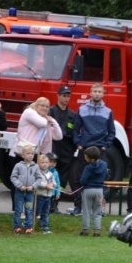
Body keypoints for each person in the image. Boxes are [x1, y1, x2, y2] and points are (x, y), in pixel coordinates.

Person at [71, 83, 115, 216]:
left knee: (100, 179)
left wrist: (105, 145)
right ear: (90, 92)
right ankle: (78, 206)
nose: (97, 94)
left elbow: (112, 132)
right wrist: (78, 143)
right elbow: (75, 129)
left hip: (100, 150)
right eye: (95, 91)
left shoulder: (108, 112)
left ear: (103, 94)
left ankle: (99, 208)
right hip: (85, 148)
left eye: (99, 92)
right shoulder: (82, 109)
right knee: (79, 178)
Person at [48, 85, 77, 214]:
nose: (66, 98)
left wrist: (73, 147)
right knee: (49, 174)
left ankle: (55, 203)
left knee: (62, 177)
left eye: (68, 96)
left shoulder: (72, 114)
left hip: (67, 147)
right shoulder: (51, 111)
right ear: (58, 96)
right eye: (64, 95)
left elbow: (74, 131)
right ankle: (47, 204)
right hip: (54, 145)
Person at [10, 145, 41, 235]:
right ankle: (17, 226)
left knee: (29, 209)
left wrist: (33, 186)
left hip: (30, 193)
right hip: (19, 192)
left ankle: (28, 227)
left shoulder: (35, 166)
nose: (30, 155)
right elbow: (13, 177)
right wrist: (20, 186)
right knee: (18, 209)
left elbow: (39, 178)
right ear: (23, 155)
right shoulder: (18, 166)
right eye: (28, 153)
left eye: (32, 153)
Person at [79, 146, 107, 236]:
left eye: (86, 157)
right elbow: (106, 175)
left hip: (88, 190)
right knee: (97, 211)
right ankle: (97, 230)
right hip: (99, 191)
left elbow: (83, 181)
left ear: (91, 159)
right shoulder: (104, 165)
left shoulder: (88, 168)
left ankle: (85, 230)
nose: (84, 158)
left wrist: (84, 183)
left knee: (86, 211)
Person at [35, 153, 57, 234]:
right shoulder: (38, 173)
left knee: (46, 212)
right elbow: (38, 182)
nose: (45, 164)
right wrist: (45, 186)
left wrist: (52, 184)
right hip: (40, 196)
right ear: (38, 164)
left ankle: (45, 226)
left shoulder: (50, 174)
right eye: (42, 162)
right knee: (36, 211)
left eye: (46, 162)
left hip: (48, 196)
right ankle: (29, 223)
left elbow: (54, 183)